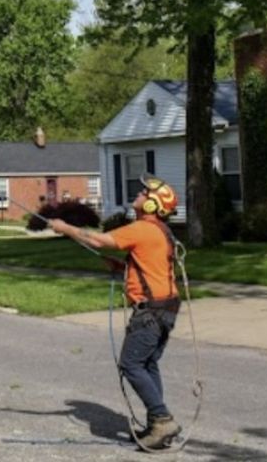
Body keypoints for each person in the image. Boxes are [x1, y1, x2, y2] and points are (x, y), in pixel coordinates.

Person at [49, 174, 181, 451]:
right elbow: (152, 267)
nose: (139, 194)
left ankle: (162, 419)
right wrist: (123, 268)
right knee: (147, 364)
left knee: (131, 365)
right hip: (164, 309)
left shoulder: (142, 228)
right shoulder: (159, 231)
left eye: (145, 192)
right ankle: (156, 425)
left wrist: (65, 228)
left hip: (151, 312)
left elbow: (97, 240)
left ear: (152, 205)